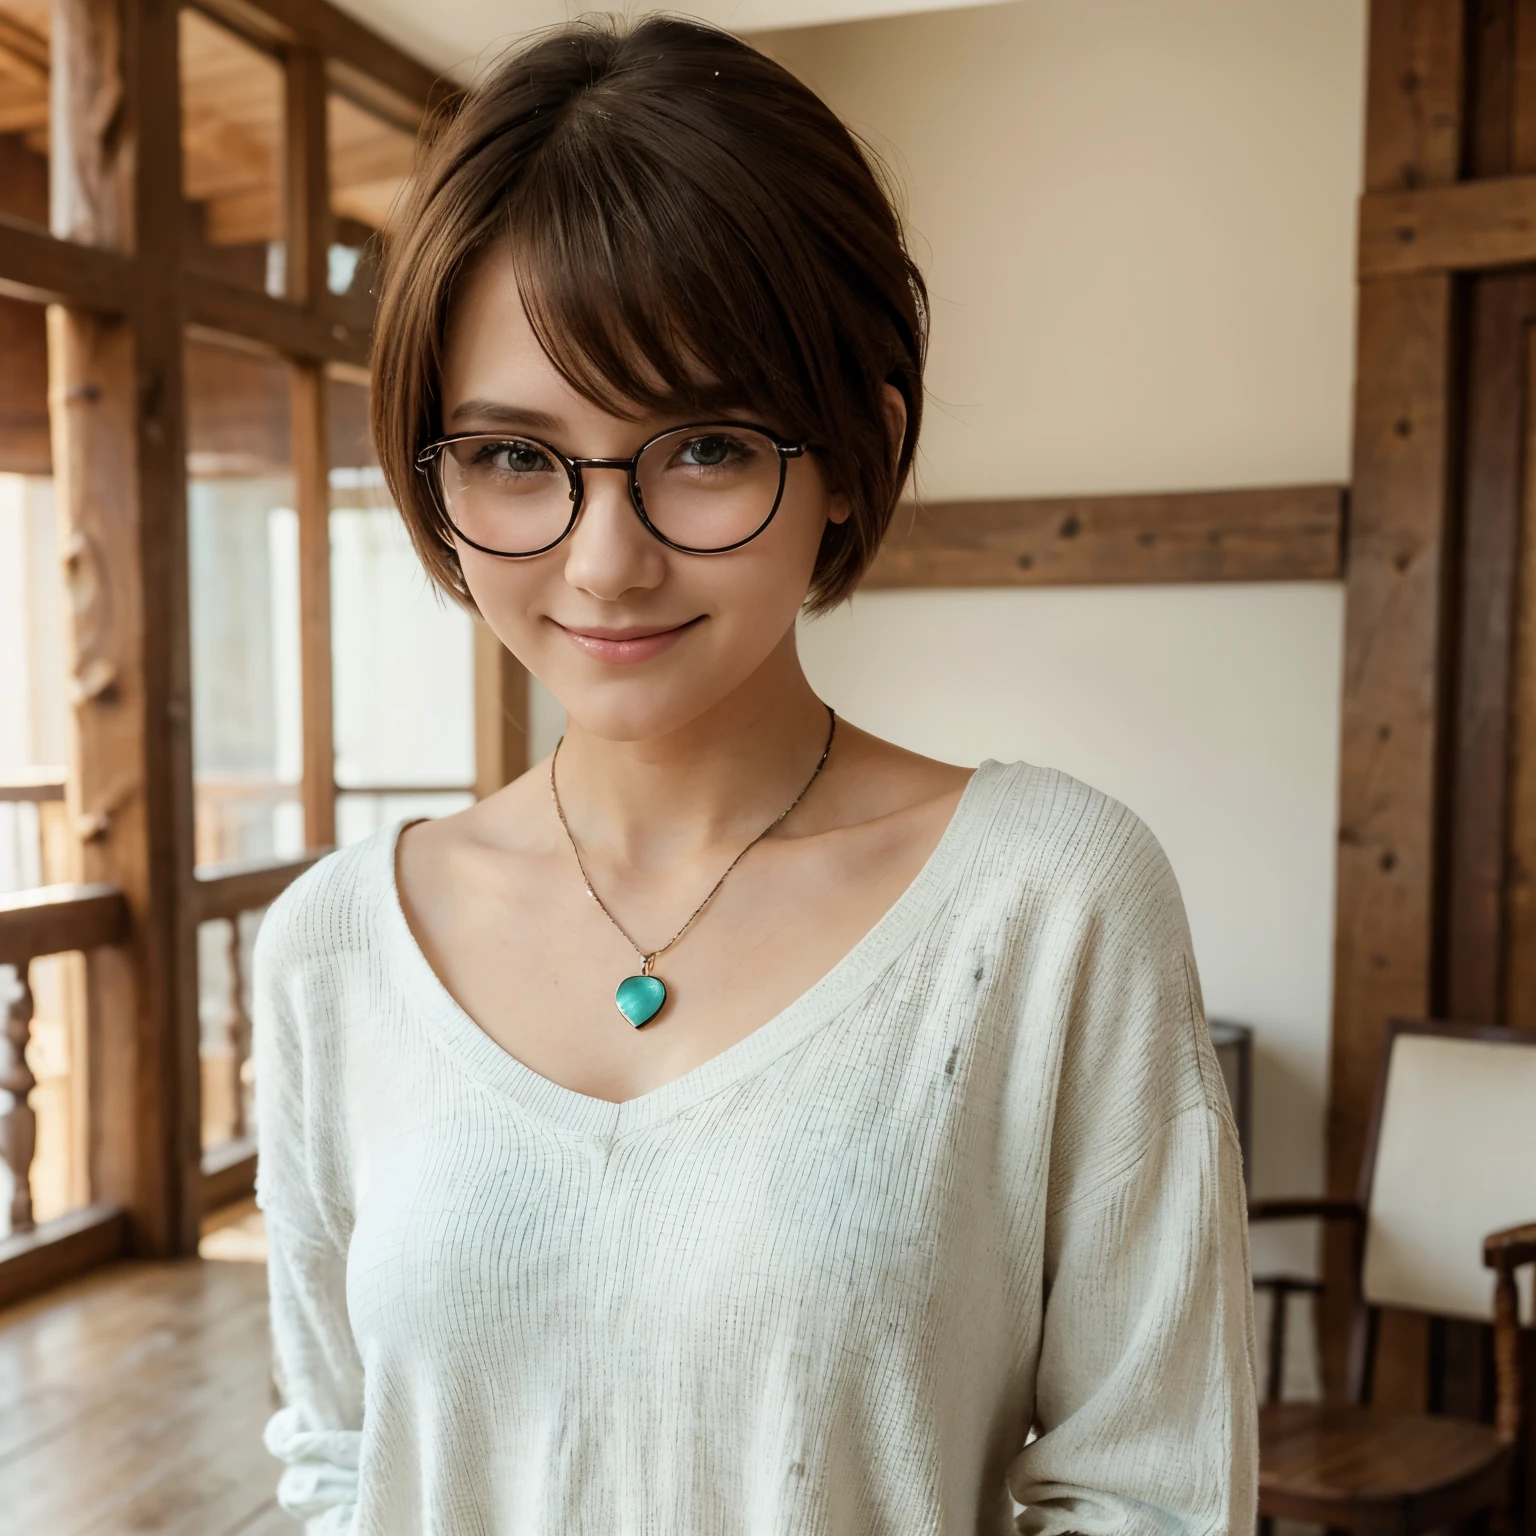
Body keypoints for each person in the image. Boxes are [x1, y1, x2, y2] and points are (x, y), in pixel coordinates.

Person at [252, 15, 1257, 1534]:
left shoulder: (1052, 903)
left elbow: (1153, 1497)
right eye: (516, 458)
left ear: (856, 447)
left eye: (705, 444)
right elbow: (341, 1464)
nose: (606, 561)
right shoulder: (332, 945)